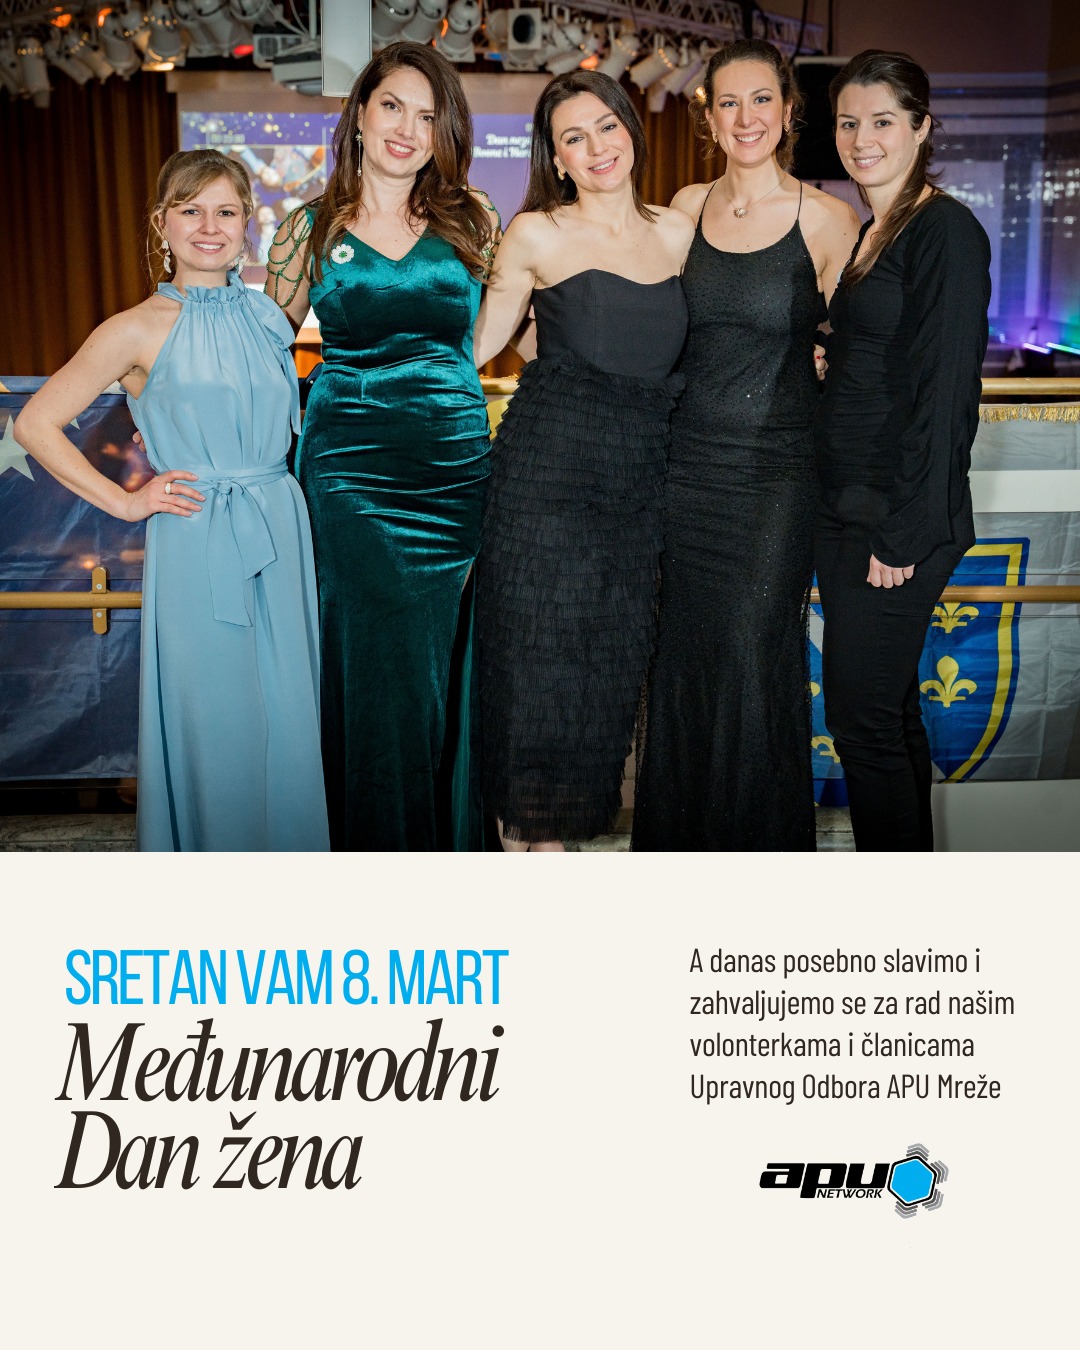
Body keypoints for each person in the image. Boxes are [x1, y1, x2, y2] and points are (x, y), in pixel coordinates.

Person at [15, 148, 329, 851]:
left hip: (280, 525)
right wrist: (126, 502)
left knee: (287, 708)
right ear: (162, 223)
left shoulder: (270, 317)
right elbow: (35, 424)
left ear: (247, 223)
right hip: (196, 533)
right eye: (191, 210)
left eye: (226, 211)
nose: (209, 227)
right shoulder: (135, 327)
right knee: (215, 715)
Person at [266, 42, 499, 851]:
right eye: (393, 106)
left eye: (428, 116)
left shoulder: (475, 218)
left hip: (454, 469)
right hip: (349, 473)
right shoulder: (307, 227)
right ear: (360, 114)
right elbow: (261, 352)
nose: (407, 129)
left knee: (443, 660)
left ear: (444, 133)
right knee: (369, 662)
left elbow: (520, 326)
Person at [632, 40, 860, 851]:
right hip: (683, 475)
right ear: (709, 117)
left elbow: (860, 357)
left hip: (774, 483)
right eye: (728, 102)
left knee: (752, 659)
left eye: (761, 99)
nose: (746, 117)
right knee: (683, 663)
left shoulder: (829, 220)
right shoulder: (685, 206)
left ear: (789, 110)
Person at [473, 70, 693, 850]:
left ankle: (552, 845)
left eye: (606, 125)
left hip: (639, 492)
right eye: (574, 136)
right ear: (556, 158)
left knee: (603, 679)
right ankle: (531, 848)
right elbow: (475, 349)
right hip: (547, 485)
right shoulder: (536, 232)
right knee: (538, 674)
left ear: (630, 127)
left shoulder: (680, 232)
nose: (597, 147)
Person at [814, 50, 990, 850]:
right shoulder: (875, 230)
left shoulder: (944, 230)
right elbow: (883, 357)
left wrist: (904, 531)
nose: (863, 139)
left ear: (921, 127)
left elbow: (947, 392)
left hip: (892, 520)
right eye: (849, 122)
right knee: (885, 717)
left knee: (864, 724)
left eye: (883, 121)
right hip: (850, 507)